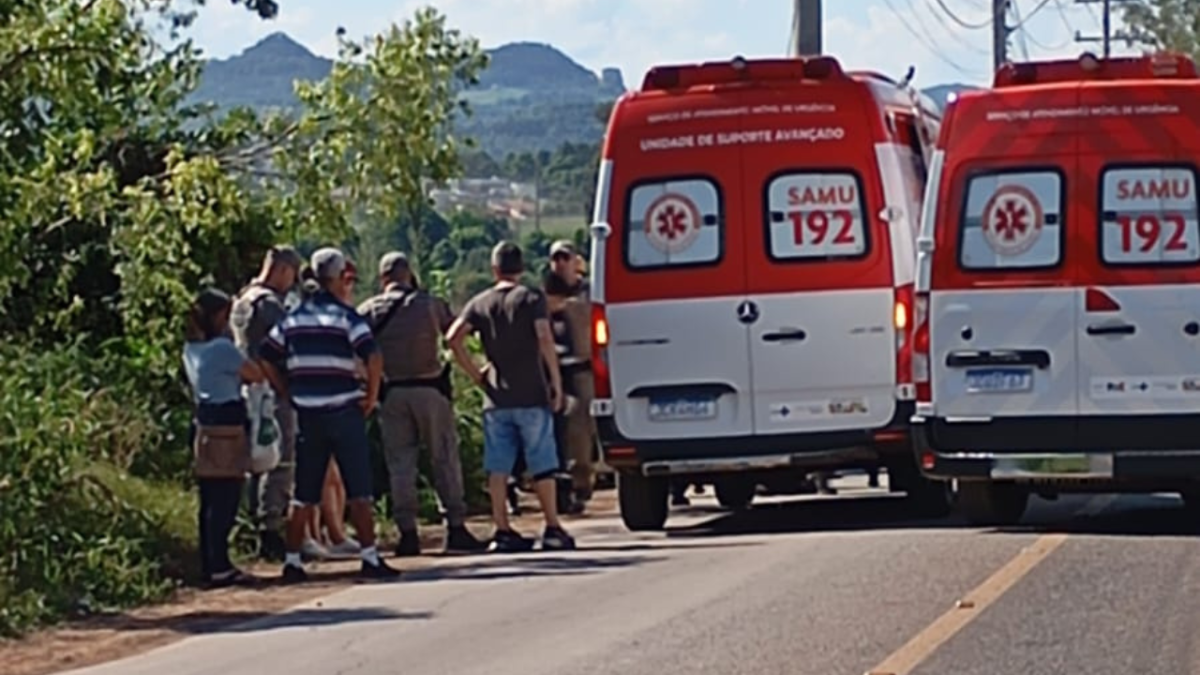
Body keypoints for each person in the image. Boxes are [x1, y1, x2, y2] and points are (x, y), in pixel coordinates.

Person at [259, 247, 401, 582]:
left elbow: (266, 355)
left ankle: (292, 561)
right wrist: (370, 395)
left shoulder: (293, 319)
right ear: (338, 278)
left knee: (304, 491)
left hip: (308, 414)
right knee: (358, 487)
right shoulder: (346, 317)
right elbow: (373, 356)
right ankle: (369, 556)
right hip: (343, 410)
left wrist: (285, 389)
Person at [447, 241, 576, 553]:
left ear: (494, 269)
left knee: (498, 466)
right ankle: (552, 526)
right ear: (521, 268)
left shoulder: (479, 303)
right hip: (531, 393)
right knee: (542, 462)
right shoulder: (531, 298)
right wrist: (555, 381)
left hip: (496, 395)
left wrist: (477, 374)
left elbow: (452, 338)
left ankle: (502, 529)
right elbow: (544, 337)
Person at [358, 252, 486, 556]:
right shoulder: (430, 304)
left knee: (400, 464)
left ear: (383, 279)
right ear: (409, 274)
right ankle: (455, 526)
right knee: (444, 457)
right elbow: (455, 333)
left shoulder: (368, 310)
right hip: (431, 390)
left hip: (392, 393)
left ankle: (408, 533)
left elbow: (357, 350)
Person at [183, 288, 264, 588]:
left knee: (209, 499)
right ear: (219, 317)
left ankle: (210, 562)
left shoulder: (191, 349)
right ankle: (221, 565)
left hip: (203, 422)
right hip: (227, 422)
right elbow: (254, 374)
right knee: (228, 496)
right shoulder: (222, 348)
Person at [229, 245, 302, 561]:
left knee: (253, 462)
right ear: (284, 270)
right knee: (279, 460)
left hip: (246, 388)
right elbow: (286, 346)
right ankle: (270, 529)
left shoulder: (242, 299)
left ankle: (249, 524)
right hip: (273, 391)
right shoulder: (270, 304)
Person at [548, 239, 596, 510]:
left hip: (581, 369)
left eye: (565, 257)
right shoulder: (545, 292)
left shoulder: (589, 291)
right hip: (554, 370)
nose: (560, 264)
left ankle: (582, 483)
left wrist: (567, 307)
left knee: (580, 428)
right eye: (556, 259)